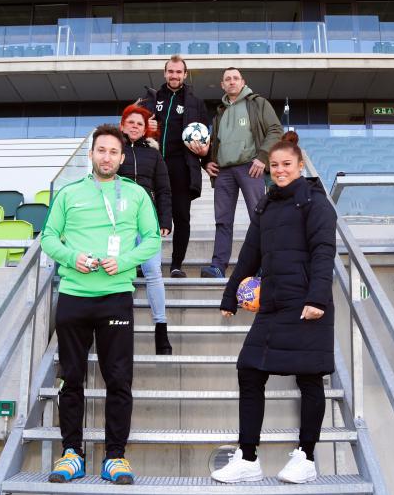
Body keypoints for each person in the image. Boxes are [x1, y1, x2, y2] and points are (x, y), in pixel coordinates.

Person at [210, 132, 337, 485]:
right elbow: (250, 254)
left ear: (300, 165)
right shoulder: (265, 205)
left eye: (287, 164)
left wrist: (317, 298)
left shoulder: (315, 203)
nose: (280, 170)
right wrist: (230, 295)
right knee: (249, 370)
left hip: (306, 303)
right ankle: (248, 458)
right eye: (275, 165)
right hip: (272, 304)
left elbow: (323, 251)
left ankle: (306, 457)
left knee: (309, 377)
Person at [40, 125, 162, 485]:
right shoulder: (68, 193)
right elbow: (48, 237)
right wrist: (71, 257)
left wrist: (123, 262)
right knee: (71, 378)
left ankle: (115, 457)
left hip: (115, 297)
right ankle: (72, 454)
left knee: (119, 379)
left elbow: (152, 240)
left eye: (113, 152)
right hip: (74, 296)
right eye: (101, 150)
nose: (106, 157)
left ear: (122, 158)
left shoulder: (137, 194)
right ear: (91, 154)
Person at [201, 67, 283, 278]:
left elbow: (275, 130)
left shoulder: (258, 103)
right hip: (224, 172)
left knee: (258, 217)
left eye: (235, 78)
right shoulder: (220, 112)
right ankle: (218, 266)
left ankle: (264, 264)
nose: (232, 81)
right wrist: (208, 162)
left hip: (251, 167)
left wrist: (263, 157)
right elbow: (214, 142)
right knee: (222, 220)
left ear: (243, 82)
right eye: (227, 79)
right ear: (222, 85)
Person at [138, 55, 209, 278]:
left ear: (185, 75)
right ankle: (144, 263)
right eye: (171, 71)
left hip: (182, 166)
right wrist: (146, 125)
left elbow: (205, 137)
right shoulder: (150, 99)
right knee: (148, 216)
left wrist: (207, 160)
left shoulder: (196, 103)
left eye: (179, 72)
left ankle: (176, 265)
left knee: (181, 216)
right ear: (165, 73)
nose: (174, 75)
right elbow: (132, 128)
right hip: (154, 164)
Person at [119, 104, 173, 355]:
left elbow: (163, 190)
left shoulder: (153, 155)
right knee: (122, 272)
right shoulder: (115, 151)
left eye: (139, 123)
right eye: (131, 122)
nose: (135, 126)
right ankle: (120, 326)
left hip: (147, 218)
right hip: (120, 221)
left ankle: (161, 329)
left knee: (153, 272)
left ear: (145, 129)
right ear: (122, 125)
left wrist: (165, 220)